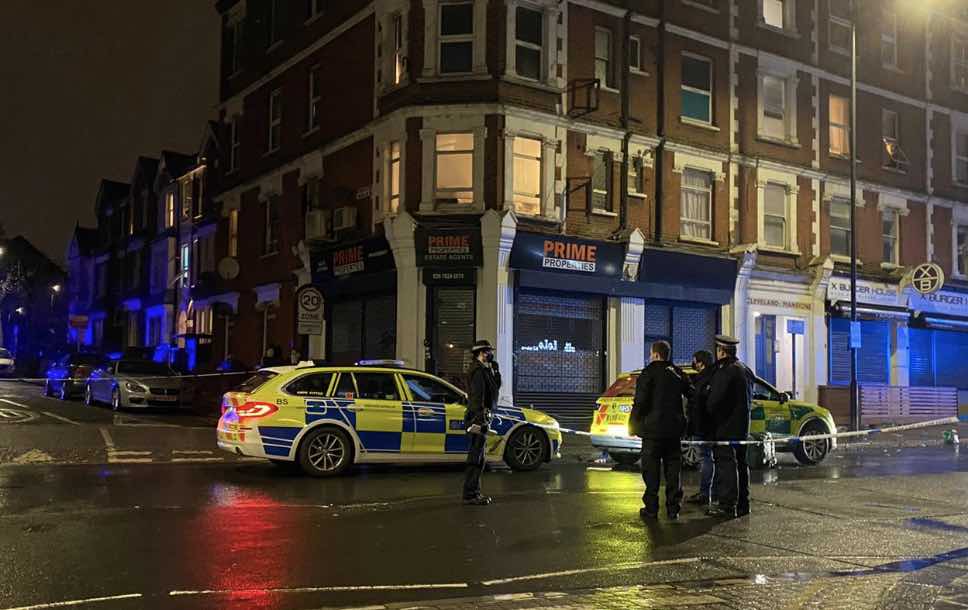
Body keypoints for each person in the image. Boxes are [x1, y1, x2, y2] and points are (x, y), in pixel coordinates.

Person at [628, 340, 691, 520]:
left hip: (652, 431)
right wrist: (686, 421)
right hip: (673, 432)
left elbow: (640, 402)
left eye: (650, 354)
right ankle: (673, 508)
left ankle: (651, 508)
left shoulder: (648, 373)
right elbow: (692, 394)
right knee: (673, 470)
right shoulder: (677, 373)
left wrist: (632, 424)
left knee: (651, 470)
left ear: (655, 354)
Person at [704, 335, 754, 519]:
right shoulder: (744, 369)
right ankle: (743, 504)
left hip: (725, 427)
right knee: (741, 464)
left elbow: (715, 400)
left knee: (726, 465)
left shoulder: (725, 371)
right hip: (742, 428)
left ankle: (727, 505)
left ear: (721, 351)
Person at [463, 339, 501, 506]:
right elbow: (477, 397)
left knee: (479, 456)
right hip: (478, 416)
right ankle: (471, 494)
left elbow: (495, 388)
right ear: (481, 353)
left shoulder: (484, 370)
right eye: (487, 352)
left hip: (481, 415)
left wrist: (496, 371)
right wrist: (480, 418)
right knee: (476, 458)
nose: (490, 354)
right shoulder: (477, 371)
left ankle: (473, 492)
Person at [685, 350, 716, 507]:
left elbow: (697, 405)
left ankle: (705, 493)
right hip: (711, 425)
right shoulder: (715, 376)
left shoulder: (703, 379)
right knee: (710, 458)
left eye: (695, 361)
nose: (693, 364)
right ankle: (711, 492)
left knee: (706, 458)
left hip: (703, 426)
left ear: (701, 363)